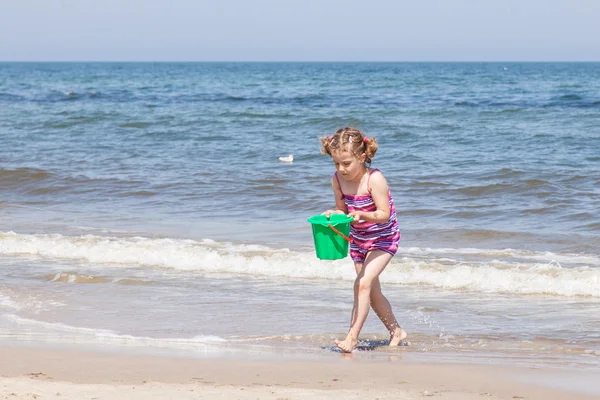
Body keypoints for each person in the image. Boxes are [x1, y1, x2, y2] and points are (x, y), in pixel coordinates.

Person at [321, 127, 407, 353]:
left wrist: (363, 215)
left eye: (346, 163)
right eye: (336, 163)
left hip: (383, 238)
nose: (341, 168)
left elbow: (383, 214)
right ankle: (396, 330)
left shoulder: (374, 179)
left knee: (361, 284)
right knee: (371, 291)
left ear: (362, 157)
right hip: (358, 239)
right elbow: (342, 209)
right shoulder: (337, 180)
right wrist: (334, 214)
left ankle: (351, 338)